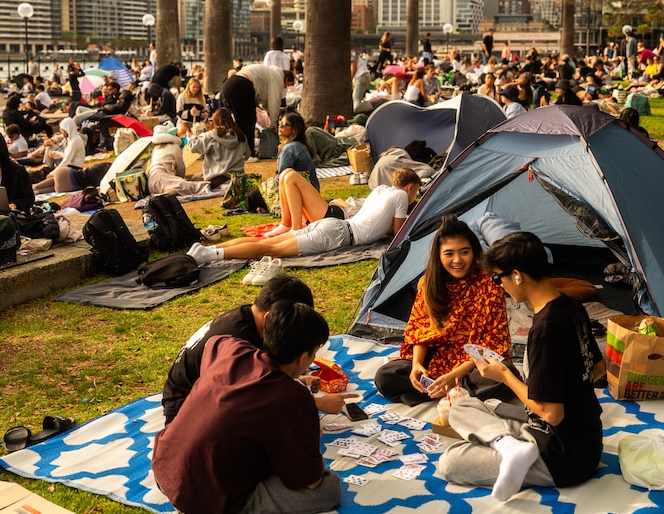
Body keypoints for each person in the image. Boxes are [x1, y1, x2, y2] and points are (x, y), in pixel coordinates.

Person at [437, 231, 605, 502]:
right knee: (464, 406)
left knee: (450, 461)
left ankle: (510, 447)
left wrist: (505, 375)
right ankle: (507, 444)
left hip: (561, 456)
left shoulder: (545, 328)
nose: (499, 285)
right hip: (585, 438)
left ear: (517, 275)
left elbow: (552, 415)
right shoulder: (572, 305)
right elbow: (598, 368)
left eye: (498, 277)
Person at [152, 300, 342, 514]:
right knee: (329, 487)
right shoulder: (294, 399)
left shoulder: (228, 347)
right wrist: (310, 438)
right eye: (314, 353)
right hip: (208, 498)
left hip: (165, 469)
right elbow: (311, 481)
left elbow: (213, 343)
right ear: (303, 357)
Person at [161, 274, 357, 425]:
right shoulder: (240, 342)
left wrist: (296, 378)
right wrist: (316, 405)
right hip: (185, 411)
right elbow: (258, 399)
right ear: (271, 315)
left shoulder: (248, 318)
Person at [375, 215, 515, 406]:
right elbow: (420, 331)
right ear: (439, 256)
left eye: (464, 252)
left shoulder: (489, 283)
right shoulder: (428, 283)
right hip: (437, 361)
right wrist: (416, 365)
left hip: (474, 364)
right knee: (386, 376)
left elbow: (493, 345)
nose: (457, 260)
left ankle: (444, 390)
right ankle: (454, 393)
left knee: (506, 374)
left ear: (474, 252)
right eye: (449, 253)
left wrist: (454, 377)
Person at [187, 168, 421, 263]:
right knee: (270, 250)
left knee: (266, 242)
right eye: (417, 192)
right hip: (339, 234)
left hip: (335, 225)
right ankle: (210, 255)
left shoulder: (381, 189)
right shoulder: (401, 197)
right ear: (410, 187)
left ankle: (206, 251)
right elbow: (398, 233)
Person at [220, 65, 293, 160]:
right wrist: (274, 122)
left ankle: (238, 152)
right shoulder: (277, 77)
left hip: (230, 84)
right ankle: (248, 154)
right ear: (286, 79)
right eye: (287, 84)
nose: (285, 87)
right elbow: (274, 101)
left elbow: (266, 101)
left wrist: (269, 115)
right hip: (242, 85)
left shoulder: (270, 72)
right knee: (248, 121)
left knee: (239, 123)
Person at [262, 169, 352, 238]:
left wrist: (346, 205)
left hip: (337, 216)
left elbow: (361, 217)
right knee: (285, 172)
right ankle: (286, 224)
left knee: (291, 177)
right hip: (334, 209)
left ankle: (296, 228)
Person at [186, 107, 249, 188]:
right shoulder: (241, 136)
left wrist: (197, 133)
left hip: (217, 179)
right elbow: (247, 156)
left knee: (192, 181)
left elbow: (192, 146)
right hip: (237, 178)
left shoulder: (210, 136)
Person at [147, 126, 211, 196]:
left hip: (152, 181)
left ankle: (163, 195)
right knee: (187, 186)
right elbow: (180, 168)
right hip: (163, 176)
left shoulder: (155, 149)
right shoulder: (175, 147)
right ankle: (165, 196)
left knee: (177, 185)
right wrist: (181, 178)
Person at [32, 119, 86, 194]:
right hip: (68, 168)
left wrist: (53, 173)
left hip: (72, 170)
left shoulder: (75, 141)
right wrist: (56, 153)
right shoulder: (70, 139)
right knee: (41, 186)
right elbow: (68, 156)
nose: (61, 133)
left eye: (62, 130)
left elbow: (67, 160)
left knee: (53, 184)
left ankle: (34, 192)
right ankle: (32, 191)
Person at [276, 112, 319, 190]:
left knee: (253, 195)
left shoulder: (289, 149)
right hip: (312, 191)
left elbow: (282, 176)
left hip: (298, 193)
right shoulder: (301, 145)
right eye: (280, 123)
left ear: (294, 129)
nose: (280, 126)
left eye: (284, 124)